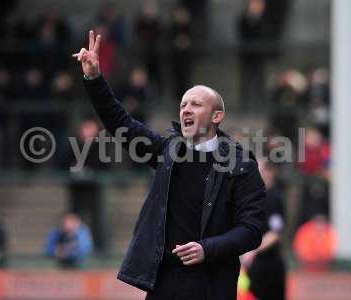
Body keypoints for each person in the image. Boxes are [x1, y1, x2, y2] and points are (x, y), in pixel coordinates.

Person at [72, 31, 266, 300]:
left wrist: (206, 248)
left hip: (211, 286)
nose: (186, 109)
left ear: (217, 116)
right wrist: (94, 78)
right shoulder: (167, 151)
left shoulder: (241, 165)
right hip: (163, 284)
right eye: (183, 104)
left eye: (196, 104)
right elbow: (120, 123)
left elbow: (252, 231)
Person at [241, 160, 286, 300]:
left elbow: (275, 233)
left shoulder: (274, 197)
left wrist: (253, 251)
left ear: (269, 172)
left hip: (269, 265)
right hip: (253, 265)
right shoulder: (254, 197)